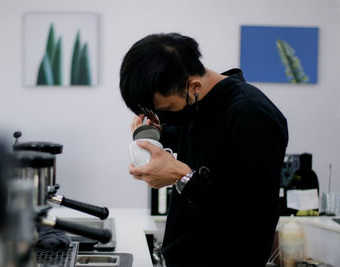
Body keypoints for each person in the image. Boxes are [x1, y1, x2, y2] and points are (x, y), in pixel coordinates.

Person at [119, 33, 288, 266]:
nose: (166, 115)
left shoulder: (251, 115)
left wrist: (183, 177)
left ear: (194, 86)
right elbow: (204, 143)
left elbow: (252, 215)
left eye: (167, 108)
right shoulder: (202, 105)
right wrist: (158, 134)